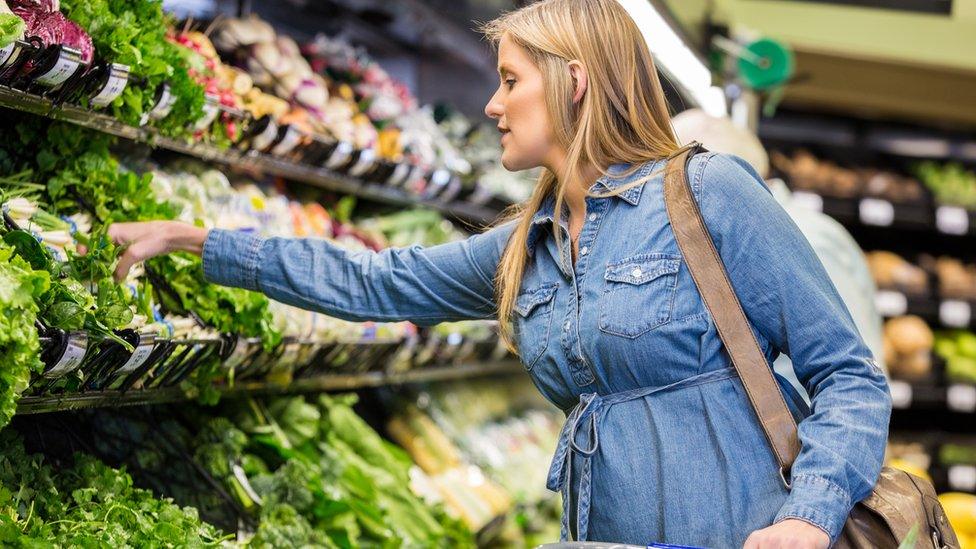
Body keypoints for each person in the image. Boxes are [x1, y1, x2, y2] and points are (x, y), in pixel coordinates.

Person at [107, 1, 891, 547]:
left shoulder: (706, 193)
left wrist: (810, 516)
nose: (491, 104)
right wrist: (199, 240)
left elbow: (850, 375)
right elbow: (377, 281)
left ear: (576, 81)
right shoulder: (529, 246)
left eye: (512, 79)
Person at [671, 108, 887, 407]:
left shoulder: (807, 237)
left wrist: (820, 453)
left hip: (805, 445)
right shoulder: (729, 238)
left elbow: (850, 376)